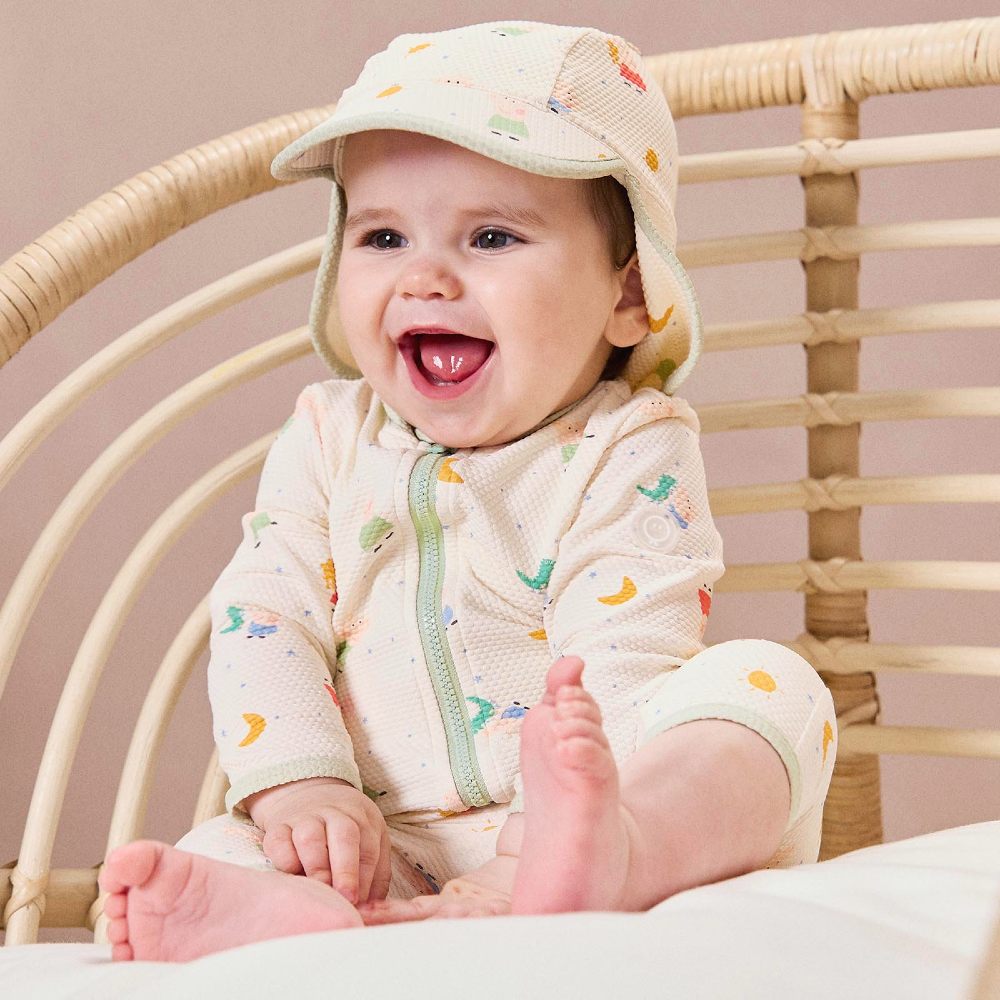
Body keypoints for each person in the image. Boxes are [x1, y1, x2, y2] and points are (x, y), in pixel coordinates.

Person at [99, 19, 837, 962]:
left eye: (491, 236)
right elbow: (265, 613)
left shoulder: (626, 444)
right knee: (230, 842)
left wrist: (543, 835)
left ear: (628, 295)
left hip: (603, 826)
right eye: (381, 235)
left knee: (775, 691)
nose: (425, 277)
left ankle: (609, 850)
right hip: (380, 842)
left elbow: (625, 643)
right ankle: (297, 919)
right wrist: (304, 789)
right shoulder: (330, 437)